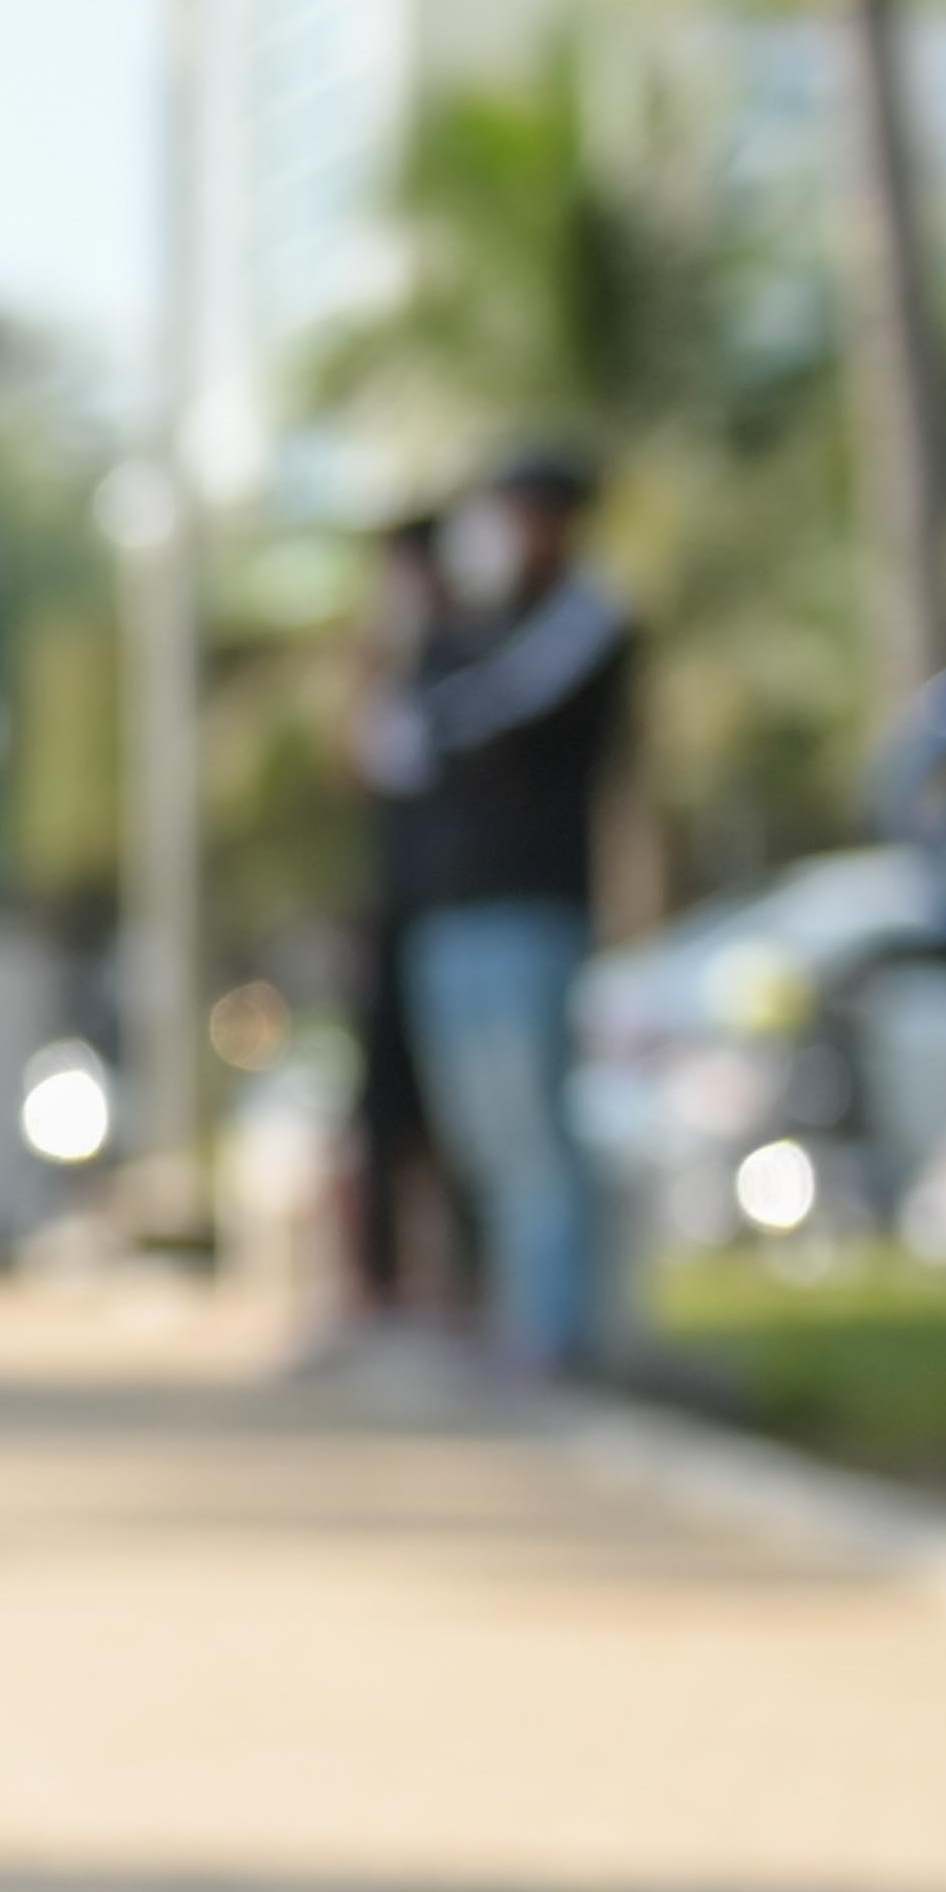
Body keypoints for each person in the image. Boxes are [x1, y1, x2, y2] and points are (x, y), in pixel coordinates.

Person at [394, 444, 630, 1379]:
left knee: (536, 1131)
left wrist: (450, 662)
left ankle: (557, 1332)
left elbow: (489, 715)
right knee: (484, 1135)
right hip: (454, 908)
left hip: (535, 906)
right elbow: (404, 741)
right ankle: (515, 1320)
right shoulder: (465, 629)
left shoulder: (586, 619)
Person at [337, 511, 473, 1339]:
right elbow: (356, 763)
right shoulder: (394, 665)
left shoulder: (473, 659)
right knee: (381, 1106)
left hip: (458, 910)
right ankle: (379, 1290)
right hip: (400, 911)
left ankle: (457, 1290)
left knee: (463, 1113)